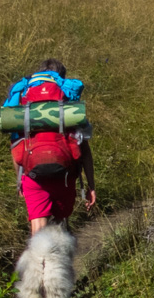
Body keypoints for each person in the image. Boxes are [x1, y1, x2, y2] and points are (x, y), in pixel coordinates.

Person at [6, 58, 95, 235]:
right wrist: (91, 186)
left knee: (38, 230)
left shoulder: (25, 102)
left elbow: (16, 145)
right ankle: (60, 261)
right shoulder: (67, 101)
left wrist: (20, 182)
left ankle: (40, 262)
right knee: (61, 227)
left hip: (33, 175)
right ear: (61, 78)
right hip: (65, 175)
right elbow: (84, 151)